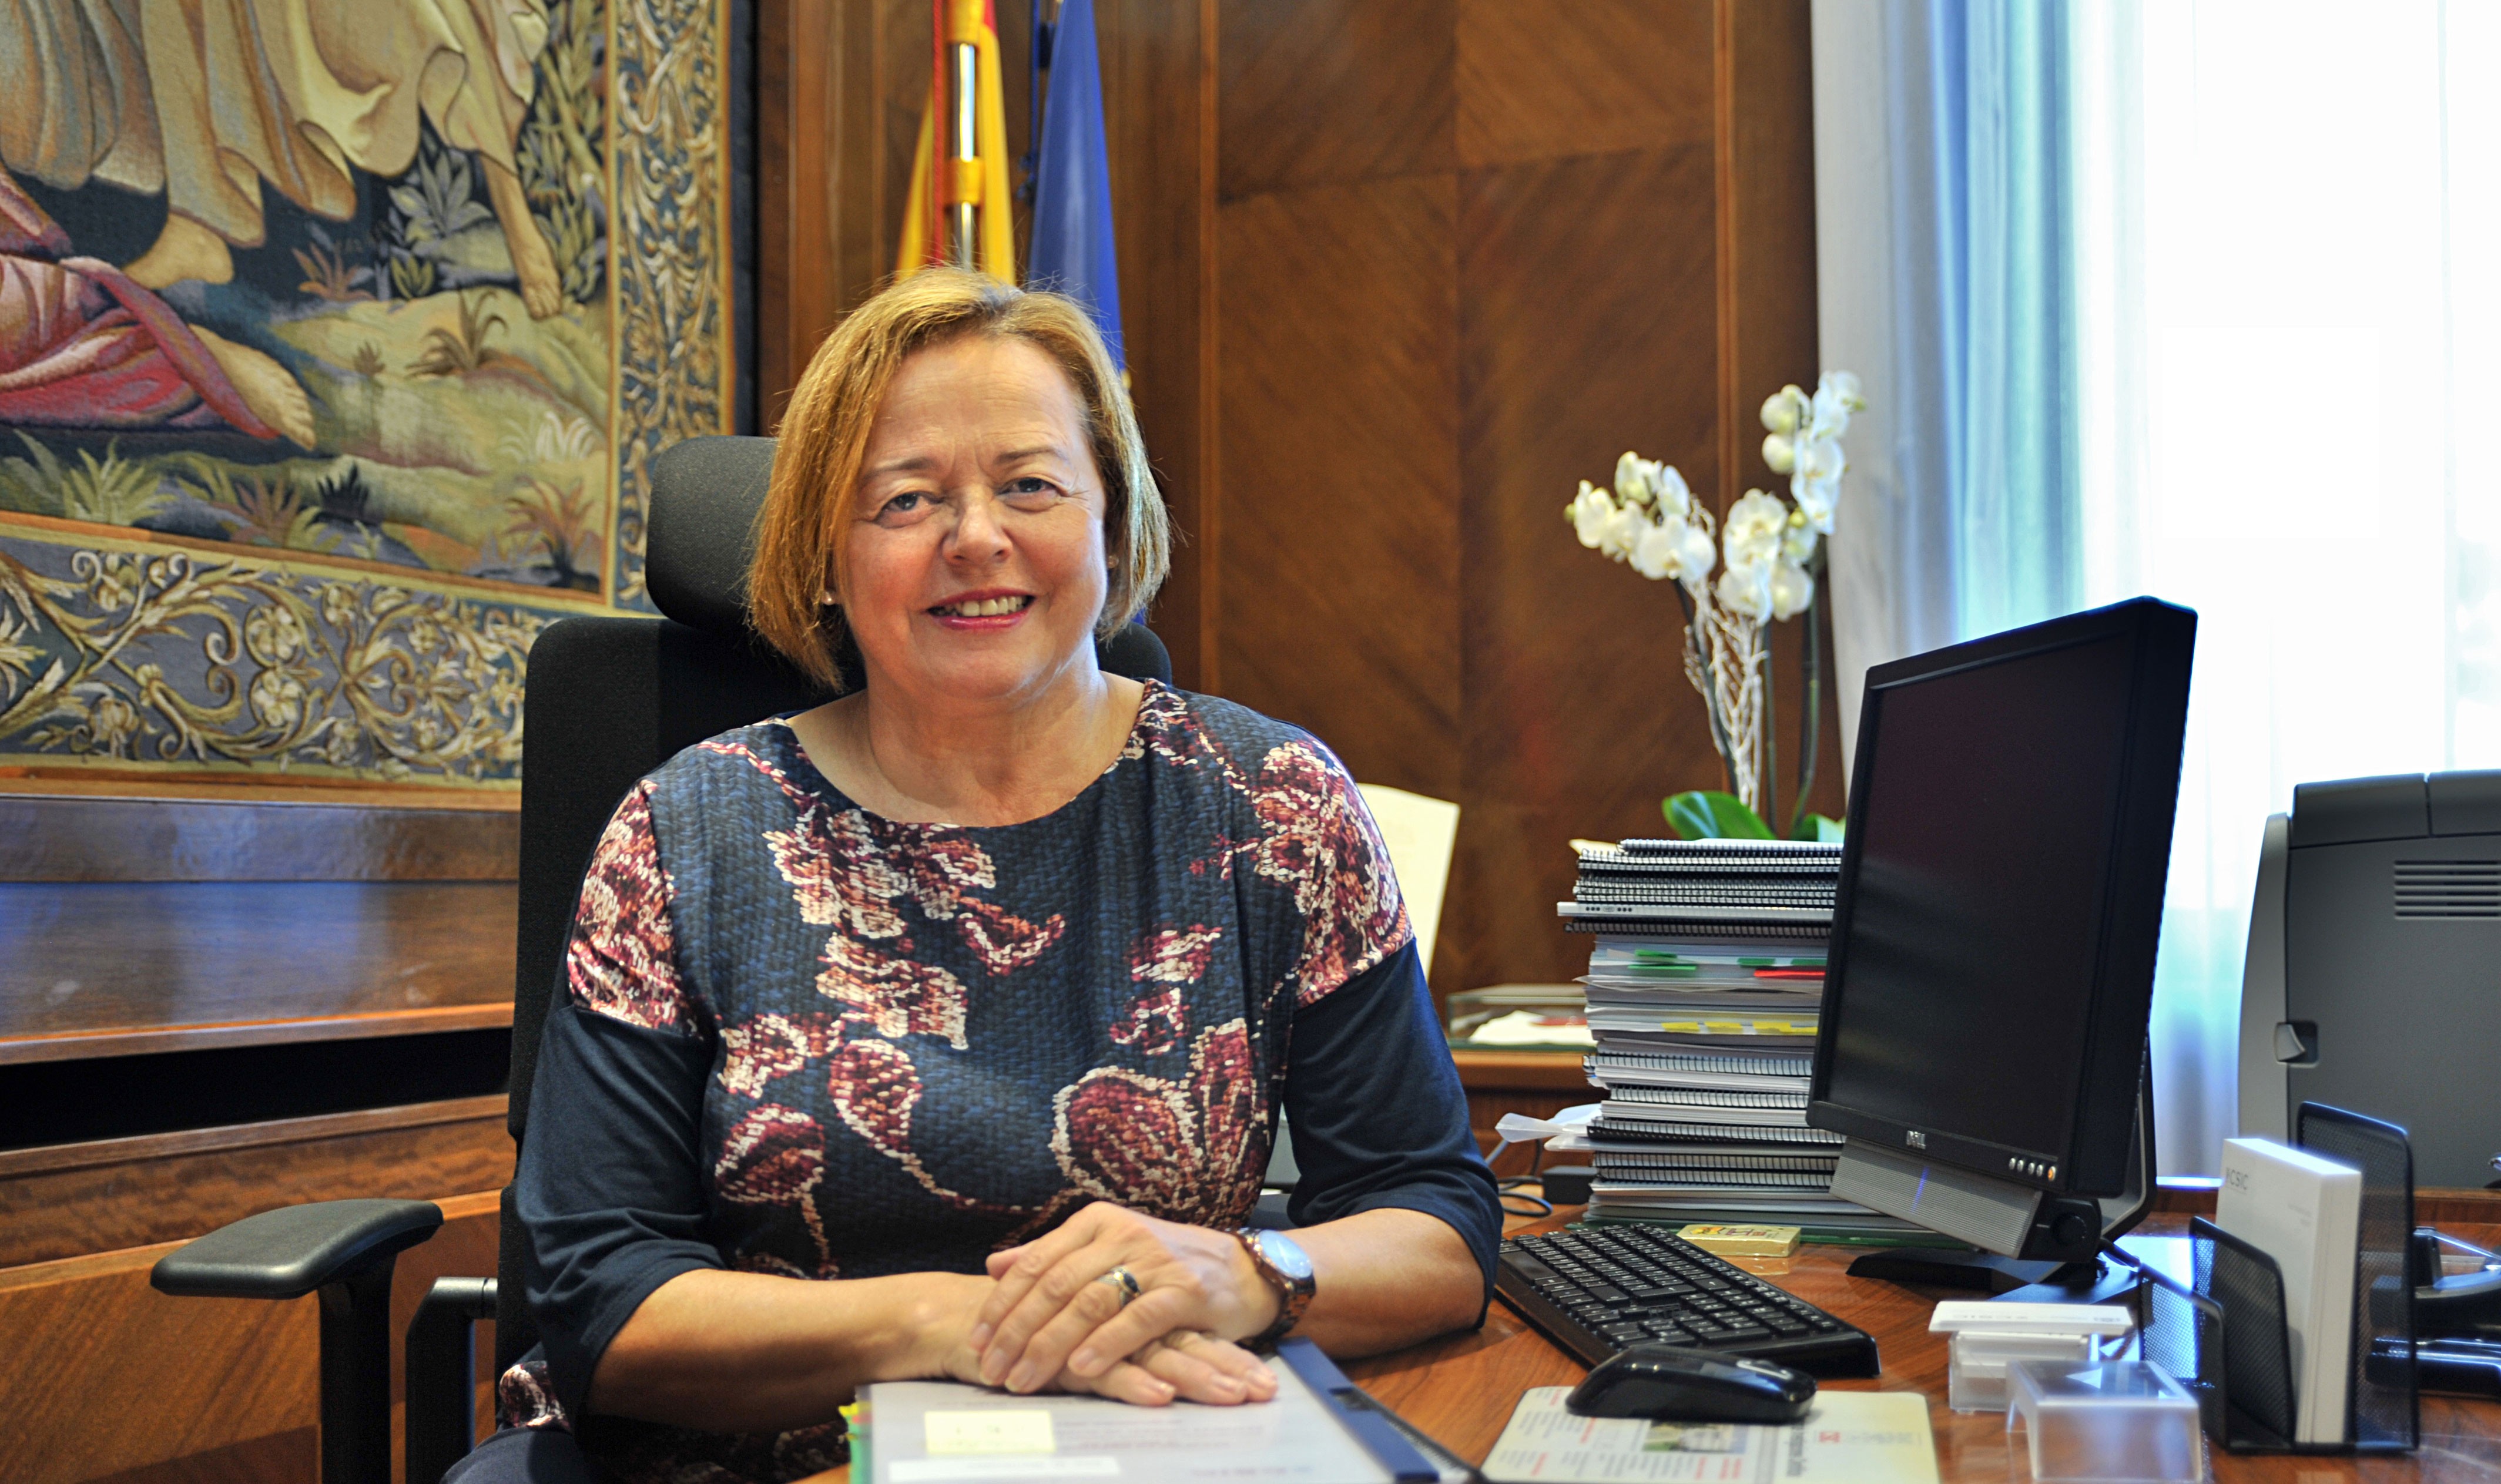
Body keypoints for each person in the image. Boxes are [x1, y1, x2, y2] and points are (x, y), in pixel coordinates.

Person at [458, 268, 1501, 1483]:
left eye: (1030, 485)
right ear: (824, 557)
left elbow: (1437, 1221)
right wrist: (958, 1326)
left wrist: (1257, 1272)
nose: (975, 538)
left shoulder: (1273, 805)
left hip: (1144, 1451)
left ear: (1113, 524)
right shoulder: (686, 832)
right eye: (904, 500)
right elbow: (601, 1298)